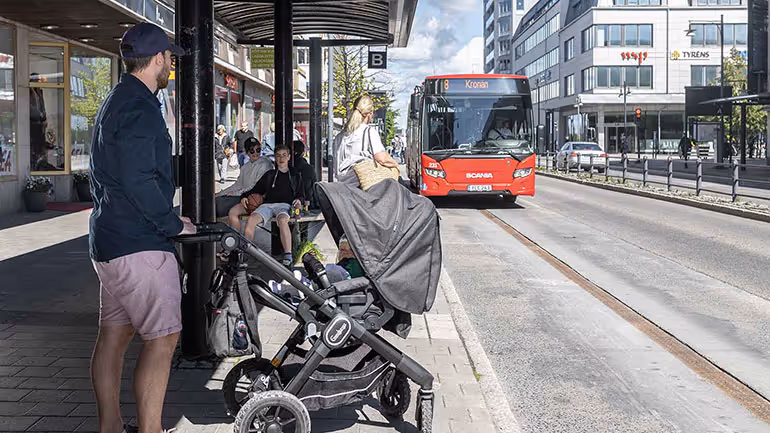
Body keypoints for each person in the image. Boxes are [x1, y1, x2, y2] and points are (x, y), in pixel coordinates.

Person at [88, 22, 195, 433]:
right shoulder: (140, 106)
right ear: (156, 60)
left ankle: (110, 427)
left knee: (113, 337)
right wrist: (171, 223)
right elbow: (138, 179)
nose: (171, 64)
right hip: (140, 245)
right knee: (163, 338)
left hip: (110, 243)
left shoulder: (116, 100)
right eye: (169, 58)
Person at [233, 146, 304, 267]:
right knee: (251, 220)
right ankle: (244, 252)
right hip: (267, 205)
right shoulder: (270, 174)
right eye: (278, 155)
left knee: (282, 220)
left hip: (284, 205)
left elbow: (301, 194)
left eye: (284, 155)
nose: (281, 158)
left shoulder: (294, 175)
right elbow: (255, 189)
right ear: (275, 158)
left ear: (289, 157)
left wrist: (298, 201)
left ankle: (288, 256)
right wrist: (244, 196)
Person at [334, 95, 398, 186]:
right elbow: (382, 159)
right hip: (361, 188)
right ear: (370, 113)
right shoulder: (369, 132)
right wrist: (395, 164)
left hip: (342, 188)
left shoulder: (339, 137)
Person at [215, 137, 273, 218]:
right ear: (246, 152)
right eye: (252, 151)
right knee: (214, 202)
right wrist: (220, 193)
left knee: (219, 206)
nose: (255, 153)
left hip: (253, 198)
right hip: (243, 196)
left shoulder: (265, 164)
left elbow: (256, 188)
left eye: (258, 150)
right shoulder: (245, 167)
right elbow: (237, 185)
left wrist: (235, 193)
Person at [291, 139, 317, 209]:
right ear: (303, 153)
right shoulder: (309, 168)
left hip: (290, 203)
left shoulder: (286, 167)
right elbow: (314, 187)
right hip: (307, 204)